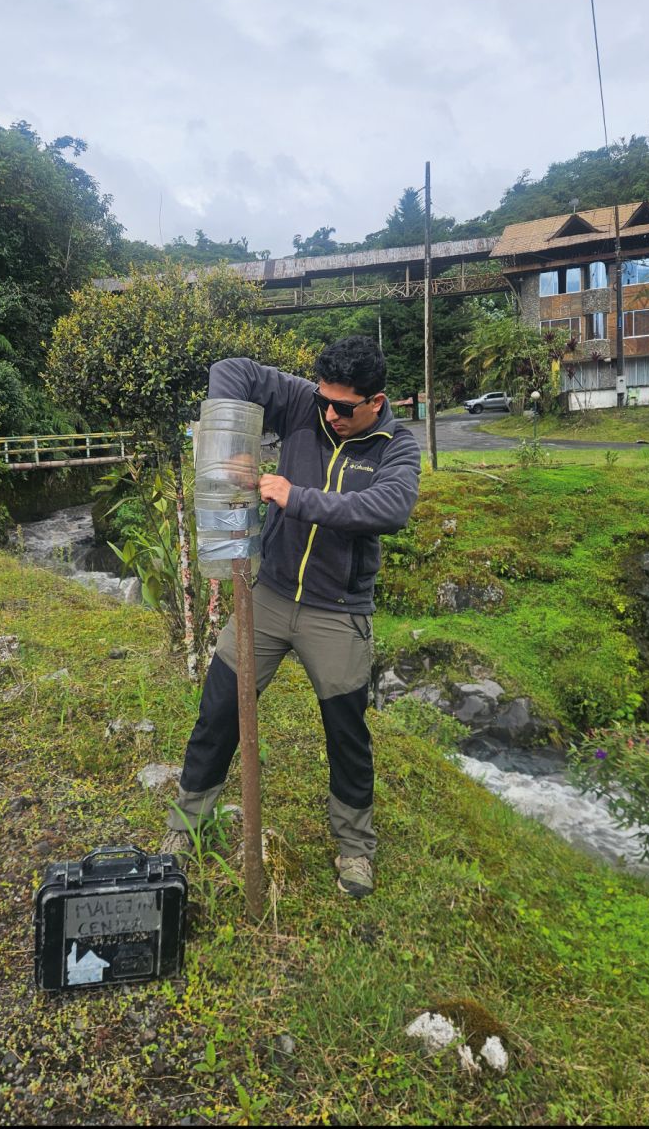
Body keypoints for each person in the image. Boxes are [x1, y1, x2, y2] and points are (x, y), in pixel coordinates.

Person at [158, 335, 421, 899]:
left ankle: (354, 850)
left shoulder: (397, 447)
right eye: (325, 401)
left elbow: (388, 509)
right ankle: (189, 822)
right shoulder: (305, 403)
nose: (329, 414)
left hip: (338, 612)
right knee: (220, 707)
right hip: (270, 597)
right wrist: (230, 441)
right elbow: (230, 366)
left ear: (376, 401)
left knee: (346, 734)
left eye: (343, 407)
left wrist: (293, 496)